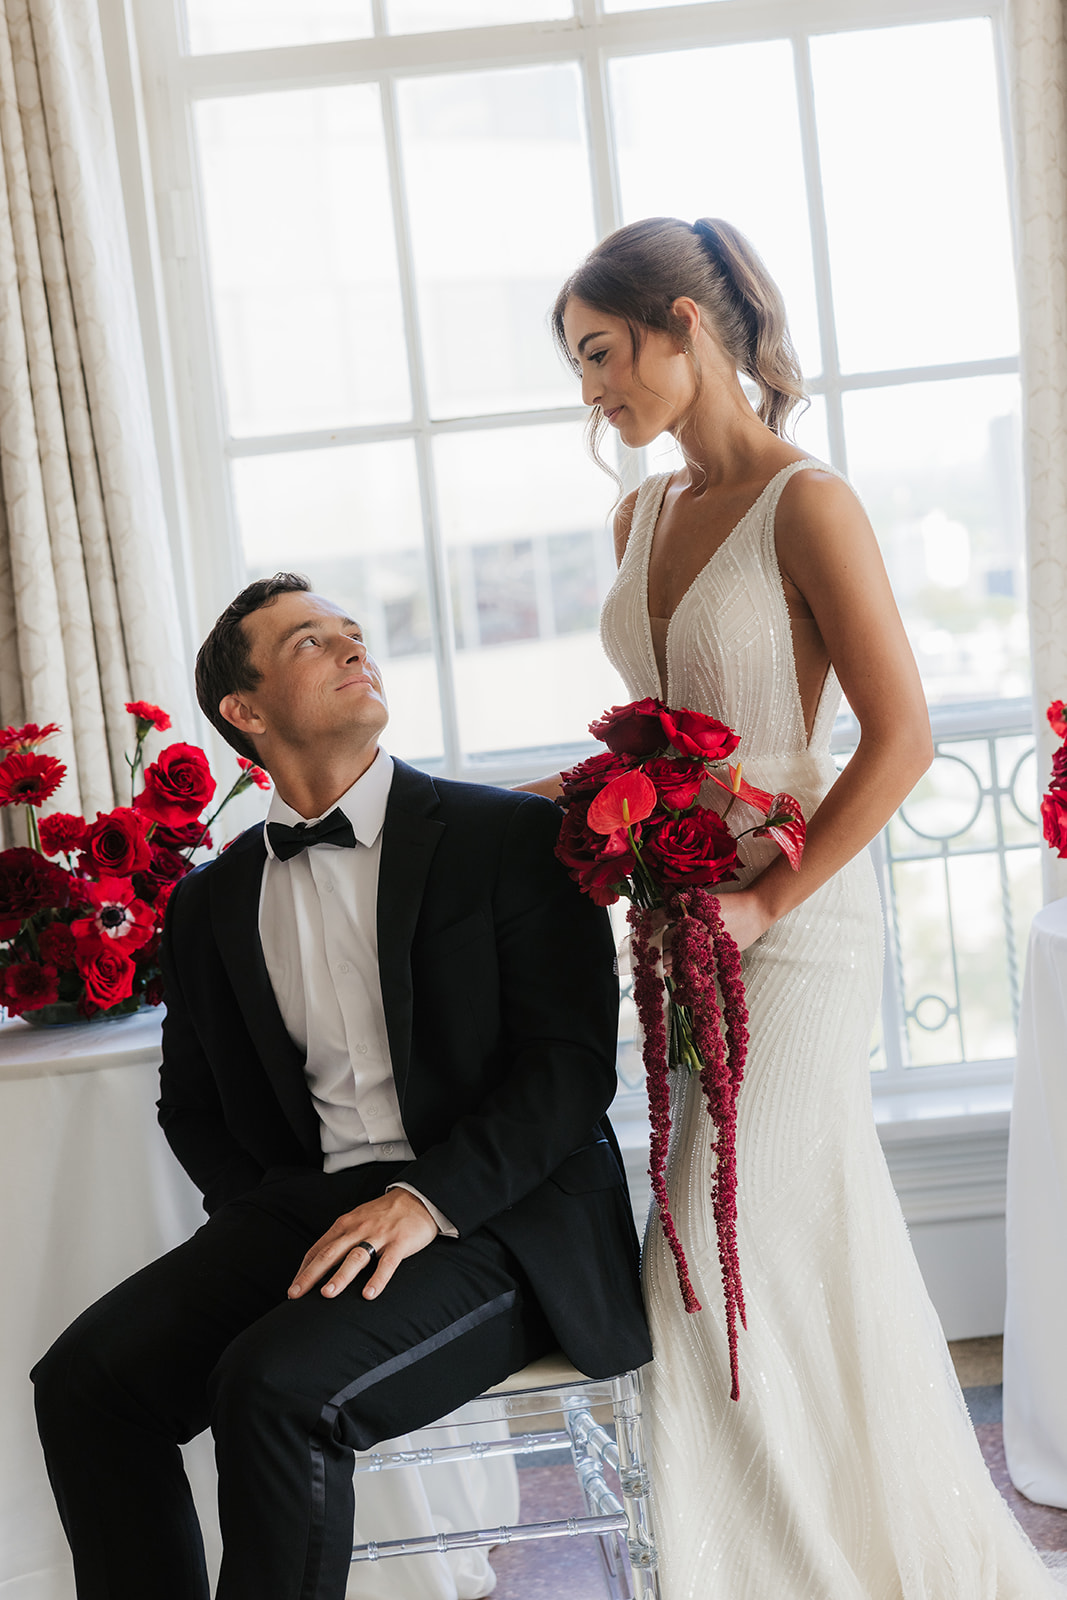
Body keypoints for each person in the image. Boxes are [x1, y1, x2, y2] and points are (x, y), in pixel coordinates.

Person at [544, 216, 1061, 1597]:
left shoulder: (804, 503)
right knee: (786, 1251)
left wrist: (766, 904)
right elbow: (646, 738)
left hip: (793, 927)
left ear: (679, 326)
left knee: (720, 1253)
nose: (591, 392)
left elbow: (899, 739)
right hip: (672, 926)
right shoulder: (638, 512)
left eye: (600, 354)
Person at [31, 574, 652, 1600]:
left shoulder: (507, 840)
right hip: (312, 1207)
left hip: (500, 1220)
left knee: (274, 1389)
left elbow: (569, 1072)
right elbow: (190, 1105)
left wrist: (422, 1200)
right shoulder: (208, 903)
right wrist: (266, 1219)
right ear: (246, 710)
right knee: (88, 1386)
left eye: (353, 633)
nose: (352, 647)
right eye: (310, 641)